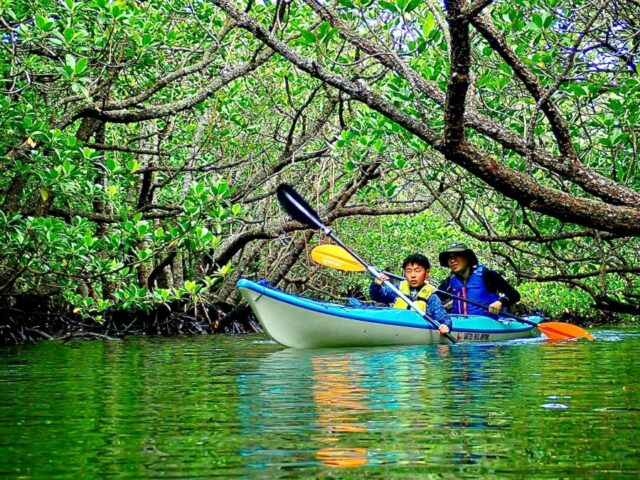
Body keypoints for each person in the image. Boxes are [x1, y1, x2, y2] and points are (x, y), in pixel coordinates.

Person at [370, 253, 452, 335]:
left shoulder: (431, 296)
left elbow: (443, 318)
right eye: (408, 271)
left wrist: (446, 326)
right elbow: (376, 296)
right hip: (395, 327)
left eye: (417, 271)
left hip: (416, 332)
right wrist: (376, 284)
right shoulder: (398, 288)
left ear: (427, 273)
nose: (413, 275)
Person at [437, 242, 520, 316]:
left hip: (488, 323)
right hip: (461, 325)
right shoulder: (449, 281)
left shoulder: (487, 275)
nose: (452, 260)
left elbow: (514, 295)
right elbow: (434, 297)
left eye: (457, 255)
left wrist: (500, 302)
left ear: (467, 258)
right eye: (449, 258)